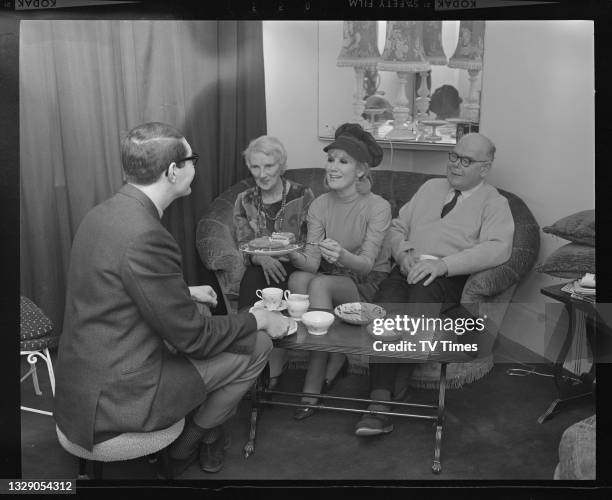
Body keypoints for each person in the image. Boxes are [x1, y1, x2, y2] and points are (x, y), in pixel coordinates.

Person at [54, 122, 291, 477]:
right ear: (172, 171)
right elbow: (194, 338)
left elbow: (113, 289)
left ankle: (203, 431)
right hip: (124, 397)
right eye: (191, 159)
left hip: (84, 379)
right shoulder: (147, 235)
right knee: (257, 345)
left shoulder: (102, 214)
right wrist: (260, 318)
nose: (195, 166)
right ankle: (195, 437)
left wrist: (183, 292)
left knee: (208, 315)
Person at [354, 132, 514, 437]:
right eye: (453, 156)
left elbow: (498, 248)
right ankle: (388, 392)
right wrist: (403, 255)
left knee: (421, 294)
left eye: (465, 160)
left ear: (485, 167)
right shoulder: (430, 188)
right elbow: (397, 227)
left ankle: (381, 404)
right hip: (407, 268)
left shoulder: (495, 202)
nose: (455, 165)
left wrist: (442, 265)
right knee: (385, 306)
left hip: (448, 276)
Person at [287, 123, 392, 420]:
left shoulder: (378, 207)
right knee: (298, 278)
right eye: (331, 159)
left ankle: (312, 387)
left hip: (368, 282)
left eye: (343, 161)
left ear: (360, 171)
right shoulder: (320, 204)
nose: (332, 167)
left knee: (319, 286)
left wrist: (344, 256)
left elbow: (368, 263)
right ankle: (332, 357)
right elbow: (310, 261)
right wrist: (287, 251)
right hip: (334, 275)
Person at [233, 135, 315, 388]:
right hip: (259, 264)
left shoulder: (303, 194)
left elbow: (310, 240)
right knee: (254, 285)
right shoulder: (245, 199)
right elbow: (244, 244)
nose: (262, 173)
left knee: (283, 282)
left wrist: (281, 252)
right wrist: (262, 257)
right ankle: (255, 368)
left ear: (281, 166)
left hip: (296, 261)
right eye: (256, 167)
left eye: (268, 166)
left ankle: (275, 367)